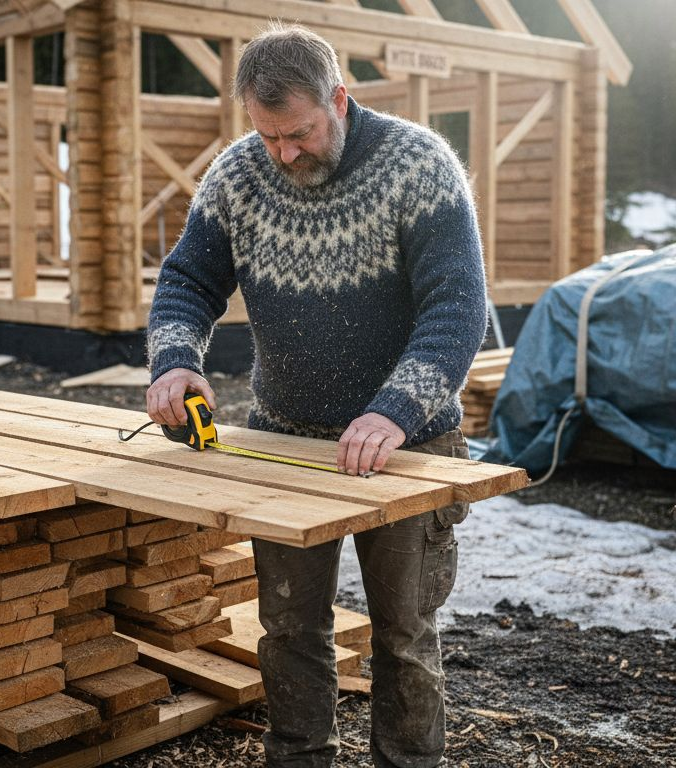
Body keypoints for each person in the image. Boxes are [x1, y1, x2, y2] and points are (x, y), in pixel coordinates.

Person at [143, 22, 487, 768]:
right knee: (291, 630)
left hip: (410, 449)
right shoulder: (237, 174)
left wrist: (392, 410)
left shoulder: (419, 166)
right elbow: (186, 282)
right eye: (267, 137)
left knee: (404, 635)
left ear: (338, 97)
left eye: (297, 133)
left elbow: (456, 312)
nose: (283, 154)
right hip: (283, 437)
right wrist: (174, 361)